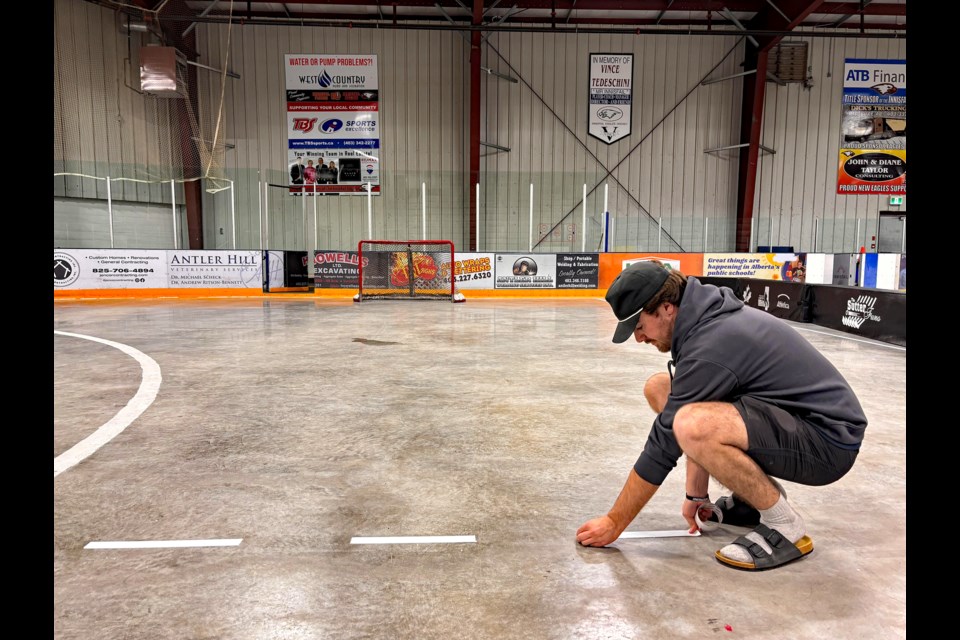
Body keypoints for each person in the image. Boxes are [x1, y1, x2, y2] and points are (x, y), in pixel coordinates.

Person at [576, 260, 867, 571]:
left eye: (639, 326)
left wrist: (615, 521)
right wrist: (696, 495)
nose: (640, 338)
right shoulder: (703, 318)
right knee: (660, 388)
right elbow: (700, 402)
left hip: (829, 441)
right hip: (794, 421)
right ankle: (750, 501)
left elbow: (665, 444)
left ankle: (785, 527)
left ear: (666, 308)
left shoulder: (710, 342)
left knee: (689, 424)